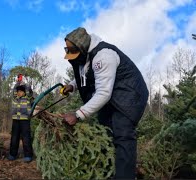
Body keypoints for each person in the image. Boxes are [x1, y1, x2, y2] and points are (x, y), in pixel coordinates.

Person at [61, 27, 148, 179]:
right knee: (106, 131)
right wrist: (72, 85)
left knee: (122, 134)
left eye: (72, 51)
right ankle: (109, 171)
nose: (70, 55)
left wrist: (78, 114)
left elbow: (103, 93)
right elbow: (86, 74)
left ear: (82, 47)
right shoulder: (87, 57)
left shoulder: (104, 56)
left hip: (130, 96)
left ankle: (125, 176)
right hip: (113, 95)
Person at [7, 74, 34, 163]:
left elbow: (29, 90)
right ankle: (12, 154)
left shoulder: (27, 98)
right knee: (14, 138)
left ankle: (28, 155)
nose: (19, 92)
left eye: (21, 91)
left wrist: (23, 83)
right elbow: (14, 89)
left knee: (26, 138)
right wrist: (18, 83)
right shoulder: (15, 98)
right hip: (15, 120)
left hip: (25, 120)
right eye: (18, 91)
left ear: (24, 92)